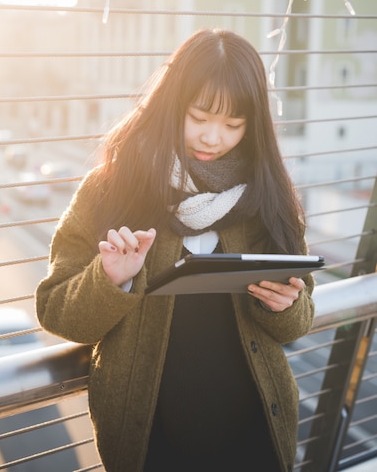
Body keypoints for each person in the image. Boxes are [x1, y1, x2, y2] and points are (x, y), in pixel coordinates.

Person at [36, 28, 315, 472]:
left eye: (233, 124)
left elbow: (298, 321)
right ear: (172, 104)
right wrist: (109, 279)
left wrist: (285, 306)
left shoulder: (267, 195)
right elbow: (55, 310)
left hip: (254, 430)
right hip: (152, 438)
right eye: (199, 116)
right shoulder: (109, 189)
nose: (212, 137)